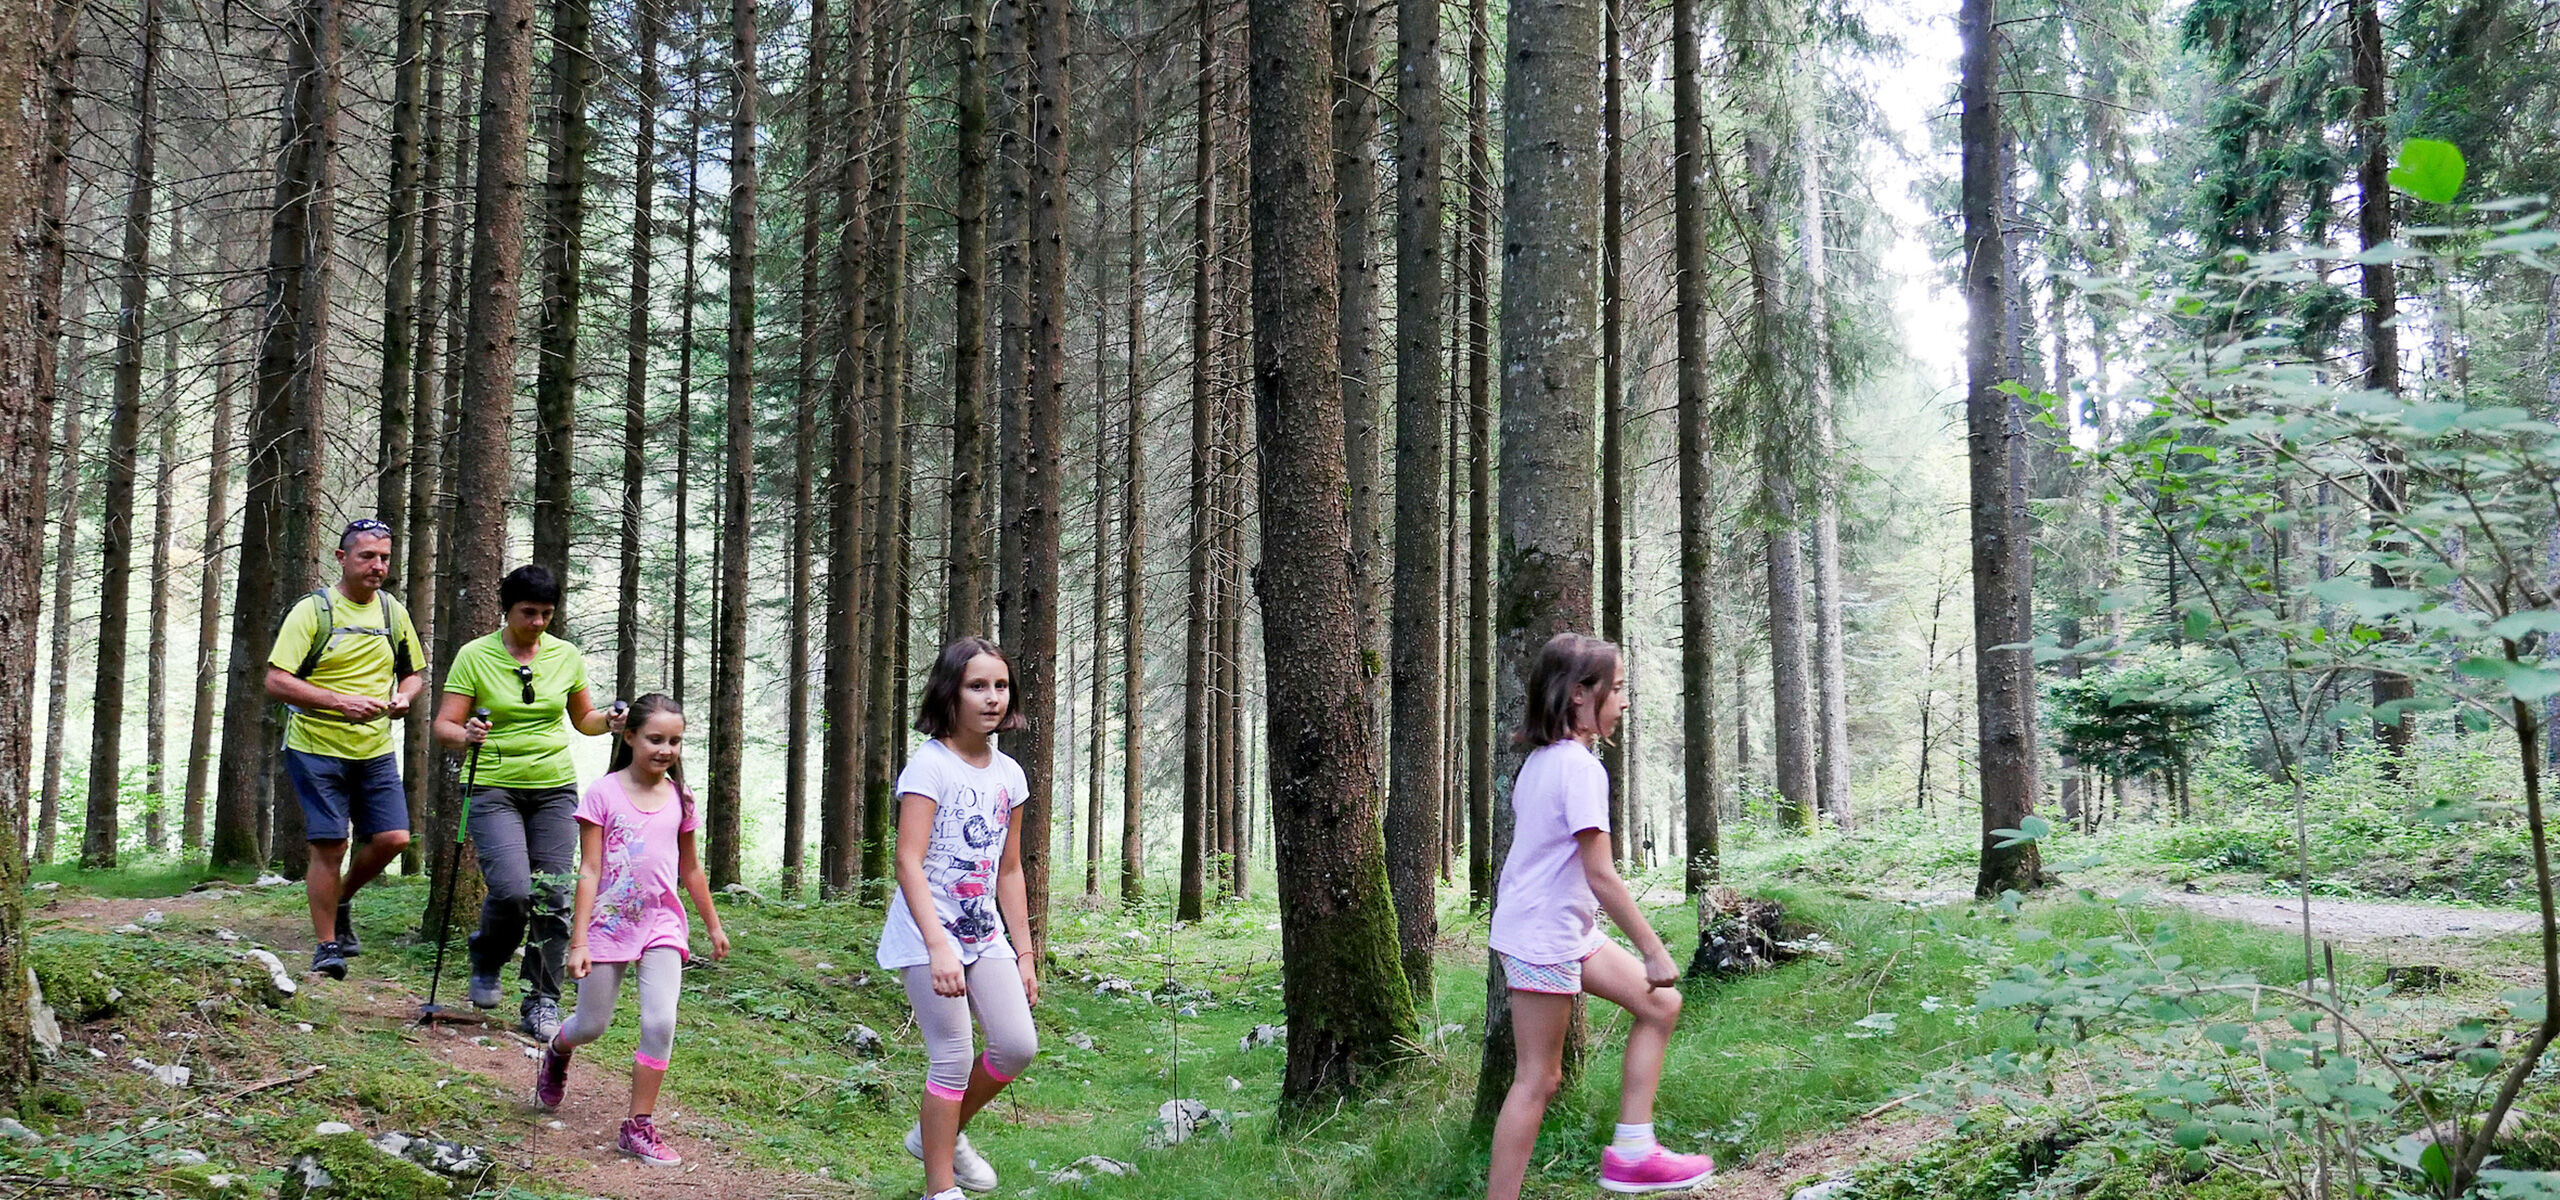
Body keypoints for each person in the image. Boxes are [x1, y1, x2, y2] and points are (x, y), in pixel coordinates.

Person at [1485, 632, 1715, 1198]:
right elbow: (1601, 874)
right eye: (1617, 688)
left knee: (1660, 1004)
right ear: (1579, 695)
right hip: (1544, 938)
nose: (1625, 700)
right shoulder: (1578, 769)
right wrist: (1653, 948)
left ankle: (1634, 1153)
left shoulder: (1542, 762)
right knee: (1538, 1079)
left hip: (1563, 931)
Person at [532, 693, 729, 1166]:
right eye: (656, 739)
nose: (665, 749)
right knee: (592, 1025)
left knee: (660, 1021)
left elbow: (692, 870)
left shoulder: (681, 798)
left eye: (675, 741)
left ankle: (638, 1125)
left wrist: (713, 926)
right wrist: (578, 942)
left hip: (662, 922)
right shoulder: (603, 794)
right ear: (630, 736)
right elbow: (590, 870)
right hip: (609, 923)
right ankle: (560, 1048)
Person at [883, 637, 1039, 1199]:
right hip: (927, 935)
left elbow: (1010, 871)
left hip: (984, 932)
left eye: (1000, 686)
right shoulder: (929, 766)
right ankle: (940, 1190)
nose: (992, 698)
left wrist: (1024, 954)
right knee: (951, 1058)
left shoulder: (1010, 775)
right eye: (978, 686)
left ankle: (936, 1136)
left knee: (1017, 1045)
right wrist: (938, 946)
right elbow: (907, 861)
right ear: (950, 693)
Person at [432, 564, 618, 1039]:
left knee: (553, 893)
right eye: (528, 612)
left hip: (554, 788)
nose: (537, 622)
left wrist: (611, 721)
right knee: (514, 890)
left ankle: (542, 1000)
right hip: (493, 786)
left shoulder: (566, 656)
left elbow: (584, 719)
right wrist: (466, 732)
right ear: (507, 609)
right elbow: (443, 726)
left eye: (547, 613)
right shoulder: (475, 656)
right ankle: (487, 956)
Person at [264, 518, 428, 980]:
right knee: (332, 844)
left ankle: (341, 898)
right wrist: (339, 701)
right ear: (342, 558)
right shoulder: (313, 611)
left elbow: (414, 671)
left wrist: (404, 697)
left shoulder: (393, 612)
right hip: (315, 746)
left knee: (394, 838)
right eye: (367, 557)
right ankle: (326, 945)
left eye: (384, 558)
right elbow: (276, 679)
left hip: (374, 748)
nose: (378, 567)